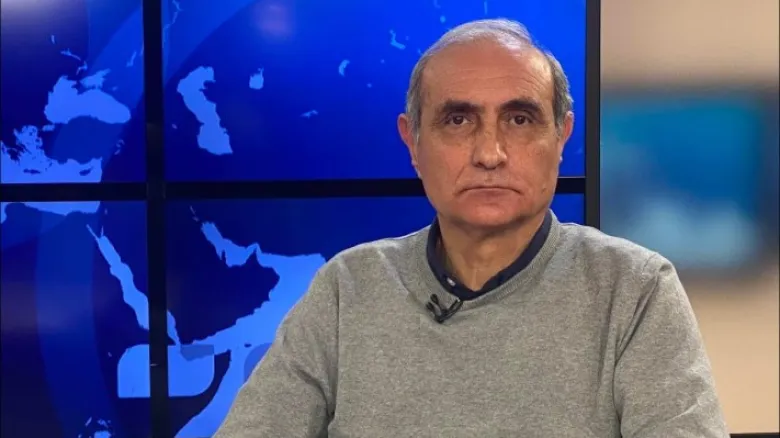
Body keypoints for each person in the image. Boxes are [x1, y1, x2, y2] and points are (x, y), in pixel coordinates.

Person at [214, 18, 728, 437]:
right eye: (458, 120)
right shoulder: (347, 289)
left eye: (519, 120)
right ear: (413, 142)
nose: (489, 153)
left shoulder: (634, 289)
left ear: (561, 137)